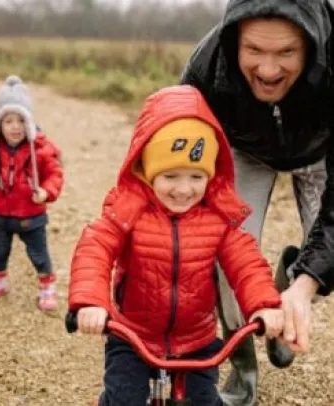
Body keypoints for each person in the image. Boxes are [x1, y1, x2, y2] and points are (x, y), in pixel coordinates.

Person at [68, 85, 284, 406]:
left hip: (197, 338)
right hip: (133, 335)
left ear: (210, 176)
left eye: (196, 177)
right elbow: (95, 247)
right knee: (122, 399)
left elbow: (246, 261)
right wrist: (90, 301)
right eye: (170, 176)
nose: (184, 190)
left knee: (204, 401)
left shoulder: (217, 218)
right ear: (147, 170)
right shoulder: (129, 209)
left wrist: (264, 304)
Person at [180, 0, 334, 404]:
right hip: (244, 149)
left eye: (286, 52)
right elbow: (177, 155)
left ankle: (287, 284)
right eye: (254, 51)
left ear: (311, 43)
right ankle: (242, 362)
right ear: (235, 40)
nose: (267, 71)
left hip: (322, 151)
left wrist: (303, 284)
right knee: (226, 258)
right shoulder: (205, 68)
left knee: (323, 264)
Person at [0, 75, 63, 311]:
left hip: (32, 214)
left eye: (21, 120)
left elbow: (55, 174)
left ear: (29, 123)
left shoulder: (40, 149)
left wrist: (46, 191)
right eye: (8, 121)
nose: (15, 127)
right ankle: (0, 281)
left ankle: (47, 287)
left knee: (39, 254)